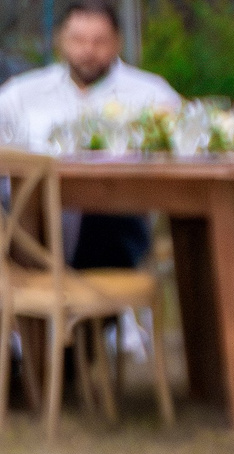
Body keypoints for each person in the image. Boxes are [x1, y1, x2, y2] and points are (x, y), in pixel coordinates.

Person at [0, 0, 174, 267]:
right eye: (78, 40)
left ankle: (101, 305)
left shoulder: (151, 95)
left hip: (115, 231)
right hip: (30, 232)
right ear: (60, 40)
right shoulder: (23, 94)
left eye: (99, 41)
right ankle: (30, 298)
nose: (88, 50)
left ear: (117, 42)